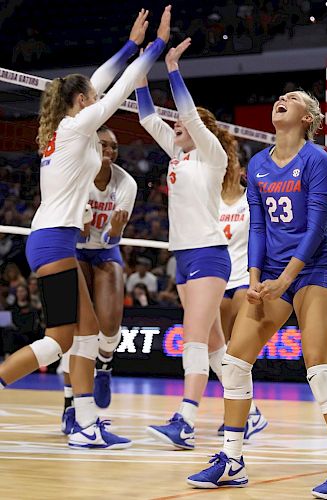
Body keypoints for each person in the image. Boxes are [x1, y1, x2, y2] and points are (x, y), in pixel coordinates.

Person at [0, 6, 171, 450]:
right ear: (82, 102)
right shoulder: (78, 126)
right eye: (90, 97)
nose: (96, 100)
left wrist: (131, 44)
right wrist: (155, 47)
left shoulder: (65, 126)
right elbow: (114, 90)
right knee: (60, 339)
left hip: (52, 239)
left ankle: (86, 424)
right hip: (55, 240)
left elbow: (97, 78)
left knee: (88, 332)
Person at [187, 89, 327, 499]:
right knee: (233, 363)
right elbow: (259, 228)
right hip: (269, 273)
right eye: (280, 97)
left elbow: (316, 228)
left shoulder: (317, 160)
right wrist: (253, 278)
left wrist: (285, 281)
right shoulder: (258, 164)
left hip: (312, 271)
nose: (281, 99)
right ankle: (231, 460)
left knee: (319, 366)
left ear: (308, 118)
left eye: (293, 98)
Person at [136, 37, 236, 450]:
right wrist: (140, 73)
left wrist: (173, 68)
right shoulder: (178, 156)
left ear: (199, 130)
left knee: (193, 338)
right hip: (184, 256)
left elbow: (189, 114)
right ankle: (251, 411)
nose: (174, 125)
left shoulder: (212, 155)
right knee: (214, 346)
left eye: (180, 124)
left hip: (209, 255)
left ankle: (186, 420)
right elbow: (145, 117)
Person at [60, 126, 137, 435]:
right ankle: (69, 406)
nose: (109, 150)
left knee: (109, 325)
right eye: (103, 144)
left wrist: (112, 230)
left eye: (114, 146)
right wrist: (84, 225)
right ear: (91, 147)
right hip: (74, 250)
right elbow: (77, 232)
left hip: (106, 250)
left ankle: (104, 363)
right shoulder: (75, 177)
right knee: (76, 332)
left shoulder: (126, 183)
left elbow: (111, 237)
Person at [218, 149, 267, 440]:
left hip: (242, 278)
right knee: (220, 354)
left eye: (231, 163)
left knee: (237, 352)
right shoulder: (209, 200)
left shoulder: (252, 200)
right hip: (216, 278)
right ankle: (252, 412)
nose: (226, 168)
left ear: (241, 170)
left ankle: (245, 417)